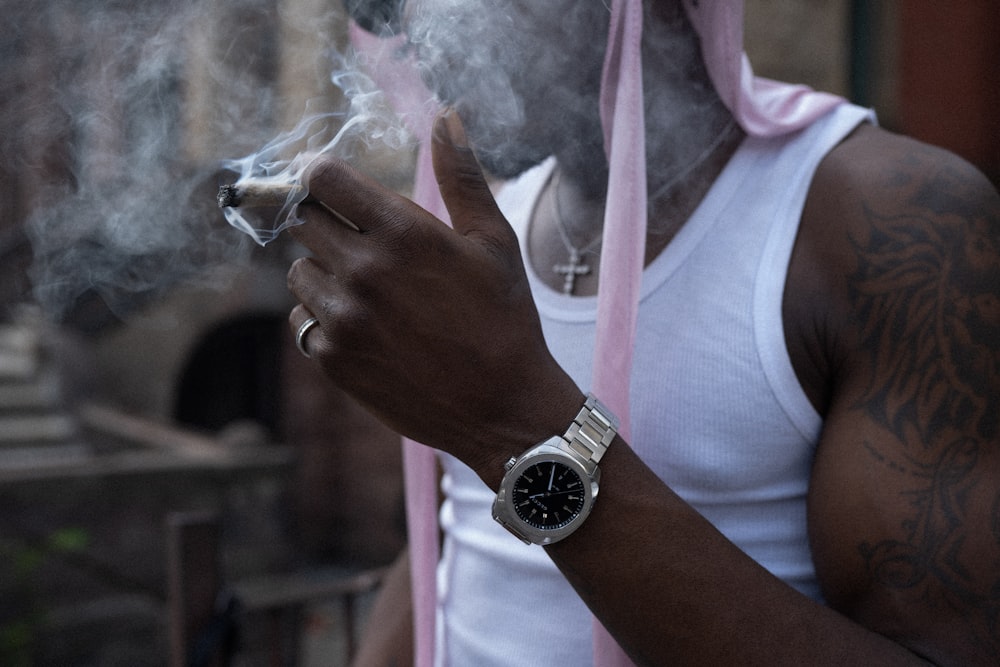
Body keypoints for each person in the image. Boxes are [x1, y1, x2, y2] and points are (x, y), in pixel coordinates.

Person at [286, 0, 1000, 664]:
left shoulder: (893, 223)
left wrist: (512, 426)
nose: (412, 26)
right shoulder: (487, 222)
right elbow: (456, 545)